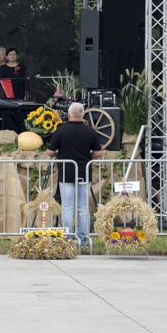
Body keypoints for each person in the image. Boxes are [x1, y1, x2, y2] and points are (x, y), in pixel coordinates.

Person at [46, 102, 103, 247]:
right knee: (83, 207)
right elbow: (98, 153)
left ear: (69, 115)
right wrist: (87, 157)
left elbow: (50, 152)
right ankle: (83, 240)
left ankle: (67, 238)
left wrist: (60, 153)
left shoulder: (61, 130)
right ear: (83, 115)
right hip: (84, 172)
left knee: (67, 206)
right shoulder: (90, 131)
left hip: (66, 173)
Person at [0, 47, 28, 133]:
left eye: (14, 54)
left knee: (19, 113)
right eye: (10, 55)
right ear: (6, 57)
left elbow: (26, 81)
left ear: (17, 56)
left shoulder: (22, 67)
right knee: (8, 114)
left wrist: (26, 93)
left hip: (19, 92)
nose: (12, 56)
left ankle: (20, 132)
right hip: (7, 94)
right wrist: (0, 94)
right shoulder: (3, 68)